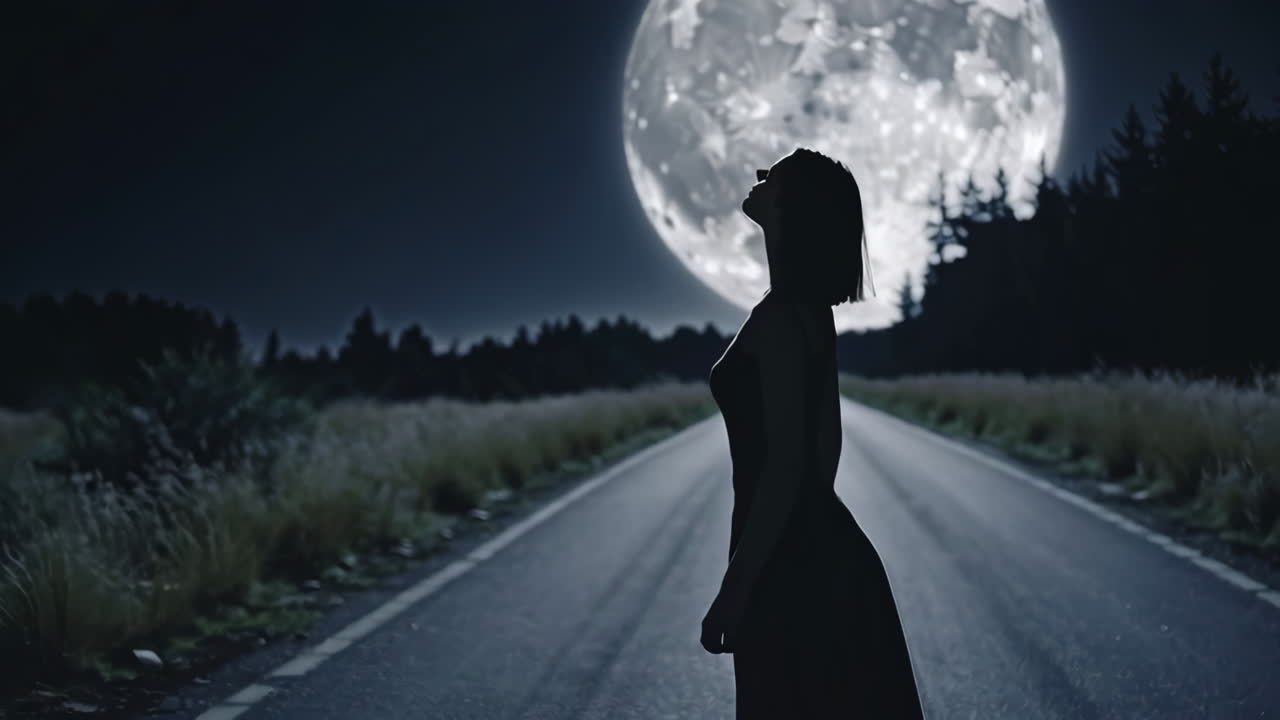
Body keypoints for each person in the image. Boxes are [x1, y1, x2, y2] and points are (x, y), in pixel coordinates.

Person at [702, 147, 926, 718]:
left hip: (788, 569)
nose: (758, 177)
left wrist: (738, 584)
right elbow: (824, 457)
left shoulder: (782, 317)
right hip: (821, 553)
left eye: (771, 175)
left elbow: (788, 465)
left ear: (790, 204)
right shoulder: (808, 313)